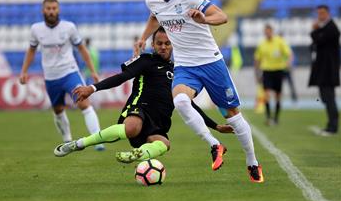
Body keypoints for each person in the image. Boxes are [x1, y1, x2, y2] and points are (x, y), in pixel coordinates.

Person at [134, 0, 263, 182]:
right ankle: (214, 144)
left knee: (232, 115)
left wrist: (204, 19)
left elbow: (222, 16)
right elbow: (155, 16)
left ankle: (252, 161)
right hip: (185, 65)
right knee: (181, 102)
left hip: (211, 63)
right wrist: (144, 38)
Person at [54, 27, 233, 162]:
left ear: (173, 46)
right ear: (153, 45)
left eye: (167, 43)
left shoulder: (179, 72)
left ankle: (136, 155)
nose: (163, 47)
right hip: (140, 109)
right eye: (159, 44)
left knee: (164, 144)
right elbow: (122, 76)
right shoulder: (146, 60)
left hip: (159, 121)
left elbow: (188, 104)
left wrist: (215, 126)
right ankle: (79, 144)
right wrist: (92, 88)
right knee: (132, 128)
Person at [19, 0, 105, 151]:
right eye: (48, 9)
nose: (51, 11)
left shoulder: (69, 27)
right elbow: (31, 50)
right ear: (43, 10)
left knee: (84, 103)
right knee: (58, 110)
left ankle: (98, 139)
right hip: (51, 77)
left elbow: (82, 49)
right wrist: (24, 71)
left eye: (54, 8)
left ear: (58, 10)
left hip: (69, 72)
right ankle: (67, 140)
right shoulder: (36, 29)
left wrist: (92, 71)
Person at [308, 5, 340, 136]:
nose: (320, 16)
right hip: (323, 69)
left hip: (328, 70)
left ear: (328, 13)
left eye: (322, 13)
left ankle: (333, 126)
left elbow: (319, 40)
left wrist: (314, 31)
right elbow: (314, 45)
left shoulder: (332, 28)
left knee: (329, 97)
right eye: (318, 13)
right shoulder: (324, 28)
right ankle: (330, 124)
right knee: (325, 98)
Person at [254, 25, 292, 126]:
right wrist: (257, 73)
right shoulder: (262, 44)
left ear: (272, 31)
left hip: (278, 71)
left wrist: (288, 63)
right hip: (266, 71)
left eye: (269, 31)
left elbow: (289, 54)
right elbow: (257, 59)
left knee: (278, 96)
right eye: (266, 31)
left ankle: (276, 118)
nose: (267, 33)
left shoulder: (279, 41)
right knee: (266, 95)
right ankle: (268, 117)